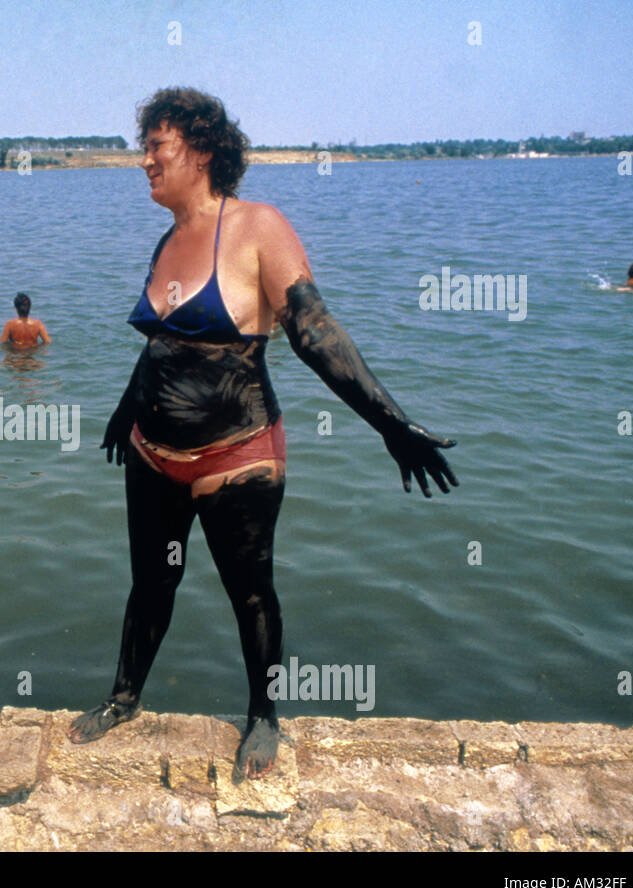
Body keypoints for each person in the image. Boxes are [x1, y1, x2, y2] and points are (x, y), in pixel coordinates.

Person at [70, 87, 458, 781]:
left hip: (236, 455)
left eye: (156, 147)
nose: (145, 162)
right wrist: (124, 411)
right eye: (145, 148)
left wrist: (389, 422)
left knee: (250, 591)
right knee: (151, 581)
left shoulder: (257, 227)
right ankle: (125, 695)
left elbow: (314, 330)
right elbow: (161, 342)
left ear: (203, 148)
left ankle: (263, 715)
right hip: (152, 455)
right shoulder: (166, 239)